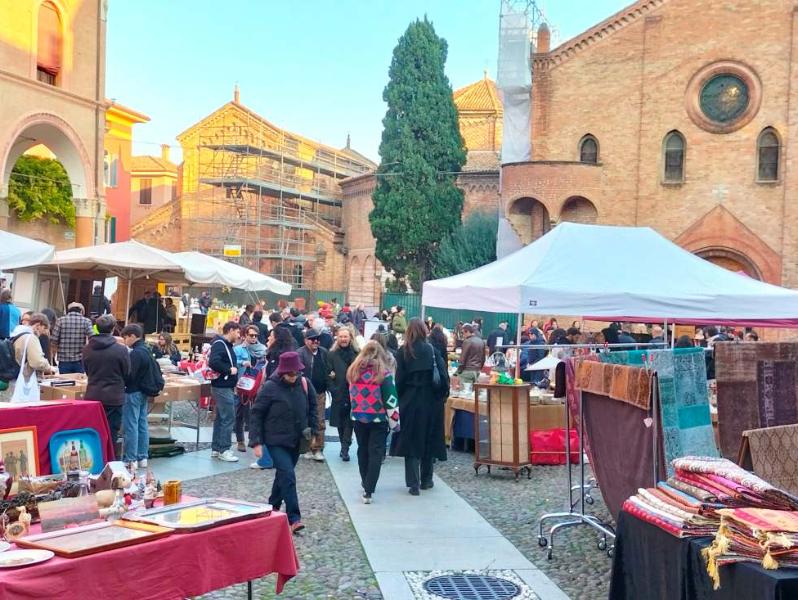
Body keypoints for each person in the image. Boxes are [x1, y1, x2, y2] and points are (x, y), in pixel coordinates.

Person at [249, 351, 317, 534]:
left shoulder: (304, 383)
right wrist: (256, 442)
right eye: (290, 374)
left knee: (283, 476)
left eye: (296, 373)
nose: (294, 377)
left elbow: (312, 408)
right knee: (288, 475)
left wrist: (315, 432)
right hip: (276, 440)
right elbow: (256, 414)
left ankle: (272, 508)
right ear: (282, 372)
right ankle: (294, 518)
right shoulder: (270, 387)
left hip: (297, 440)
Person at [395, 318, 448, 495]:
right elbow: (443, 377)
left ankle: (413, 483)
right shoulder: (432, 350)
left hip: (410, 401)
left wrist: (401, 398)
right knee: (428, 440)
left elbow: (399, 381)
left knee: (411, 441)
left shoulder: (403, 351)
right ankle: (427, 479)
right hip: (431, 402)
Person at [347, 341, 400, 504]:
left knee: (362, 449)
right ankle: (369, 490)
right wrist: (395, 423)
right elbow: (391, 400)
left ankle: (365, 482)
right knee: (376, 452)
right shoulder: (383, 374)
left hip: (358, 417)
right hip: (378, 419)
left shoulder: (353, 372)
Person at [83, 315, 130, 459]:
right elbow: (127, 372)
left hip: (93, 394)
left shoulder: (87, 348)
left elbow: (87, 370)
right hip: (113, 396)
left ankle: (94, 458)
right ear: (113, 329)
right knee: (112, 431)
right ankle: (109, 460)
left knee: (93, 429)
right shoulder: (121, 350)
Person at [121, 324, 163, 470]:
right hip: (144, 392)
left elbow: (130, 375)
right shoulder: (146, 350)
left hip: (133, 392)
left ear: (132, 336)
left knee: (131, 425)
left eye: (125, 337)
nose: (124, 340)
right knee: (142, 424)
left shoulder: (135, 353)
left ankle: (130, 459)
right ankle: (142, 457)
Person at [234, 325, 269, 462]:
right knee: (240, 413)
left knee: (256, 412)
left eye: (256, 335)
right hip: (243, 385)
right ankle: (240, 440)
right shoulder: (238, 349)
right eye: (251, 335)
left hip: (258, 385)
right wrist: (243, 362)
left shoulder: (263, 349)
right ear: (245, 335)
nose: (253, 338)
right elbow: (233, 362)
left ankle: (253, 439)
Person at [209, 322, 241, 462]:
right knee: (229, 417)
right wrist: (229, 370)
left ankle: (217, 448)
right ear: (231, 330)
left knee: (221, 418)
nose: (239, 335)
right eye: (238, 332)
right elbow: (214, 362)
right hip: (222, 386)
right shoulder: (220, 344)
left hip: (223, 386)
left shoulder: (224, 345)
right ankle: (224, 449)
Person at [298, 329, 330, 462]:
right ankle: (306, 447)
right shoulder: (300, 353)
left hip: (319, 391)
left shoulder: (324, 352)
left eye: (317, 339)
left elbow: (328, 369)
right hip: (303, 392)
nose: (316, 341)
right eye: (312, 339)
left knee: (320, 420)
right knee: (304, 420)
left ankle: (317, 448)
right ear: (306, 340)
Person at [328, 326, 359, 461]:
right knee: (340, 423)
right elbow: (328, 374)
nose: (343, 339)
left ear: (350, 338)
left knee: (349, 422)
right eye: (341, 337)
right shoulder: (331, 354)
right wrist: (333, 389)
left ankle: (345, 448)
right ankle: (343, 444)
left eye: (345, 336)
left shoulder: (357, 354)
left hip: (353, 394)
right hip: (338, 393)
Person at [51, 302, 94, 374]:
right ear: (81, 311)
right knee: (78, 383)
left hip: (63, 360)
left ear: (69, 310)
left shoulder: (60, 320)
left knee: (64, 383)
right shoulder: (86, 321)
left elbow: (54, 340)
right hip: (79, 360)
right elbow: (92, 338)